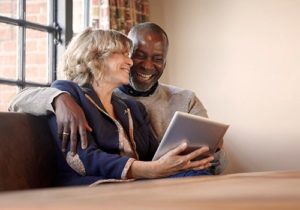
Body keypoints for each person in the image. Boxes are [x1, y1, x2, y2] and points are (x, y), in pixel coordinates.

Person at [9, 22, 225, 174]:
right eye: (128, 54)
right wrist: (58, 98)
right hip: (100, 186)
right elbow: (84, 160)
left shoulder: (129, 107)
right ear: (94, 58)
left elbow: (152, 155)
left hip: (140, 183)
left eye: (157, 58)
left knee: (196, 176)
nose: (132, 63)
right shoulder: (68, 93)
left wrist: (193, 151)